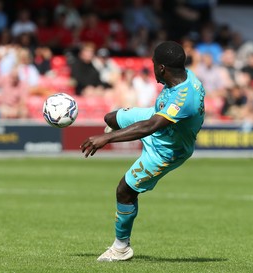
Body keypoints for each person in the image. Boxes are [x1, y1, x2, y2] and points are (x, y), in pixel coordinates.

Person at [80, 41, 206, 261]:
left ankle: (121, 247)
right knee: (111, 117)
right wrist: (114, 130)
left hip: (167, 149)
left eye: (153, 63)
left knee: (125, 190)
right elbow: (151, 122)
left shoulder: (186, 99)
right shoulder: (182, 75)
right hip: (156, 115)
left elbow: (149, 127)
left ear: (161, 69)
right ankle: (120, 128)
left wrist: (107, 138)